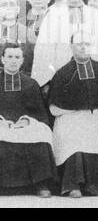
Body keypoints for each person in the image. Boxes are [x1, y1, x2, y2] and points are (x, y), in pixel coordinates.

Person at [48, 33, 98, 197]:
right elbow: (53, 108)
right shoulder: (62, 73)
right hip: (70, 117)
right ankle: (73, 185)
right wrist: (77, 110)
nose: (83, 47)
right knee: (75, 139)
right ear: (71, 46)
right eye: (79, 44)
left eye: (87, 44)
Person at [0, 42, 56, 196]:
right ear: (2, 59)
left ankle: (41, 185)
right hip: (1, 125)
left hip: (24, 125)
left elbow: (40, 113)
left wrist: (26, 121)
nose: (13, 60)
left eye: (17, 57)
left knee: (41, 135)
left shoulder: (30, 84)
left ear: (22, 60)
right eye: (9, 56)